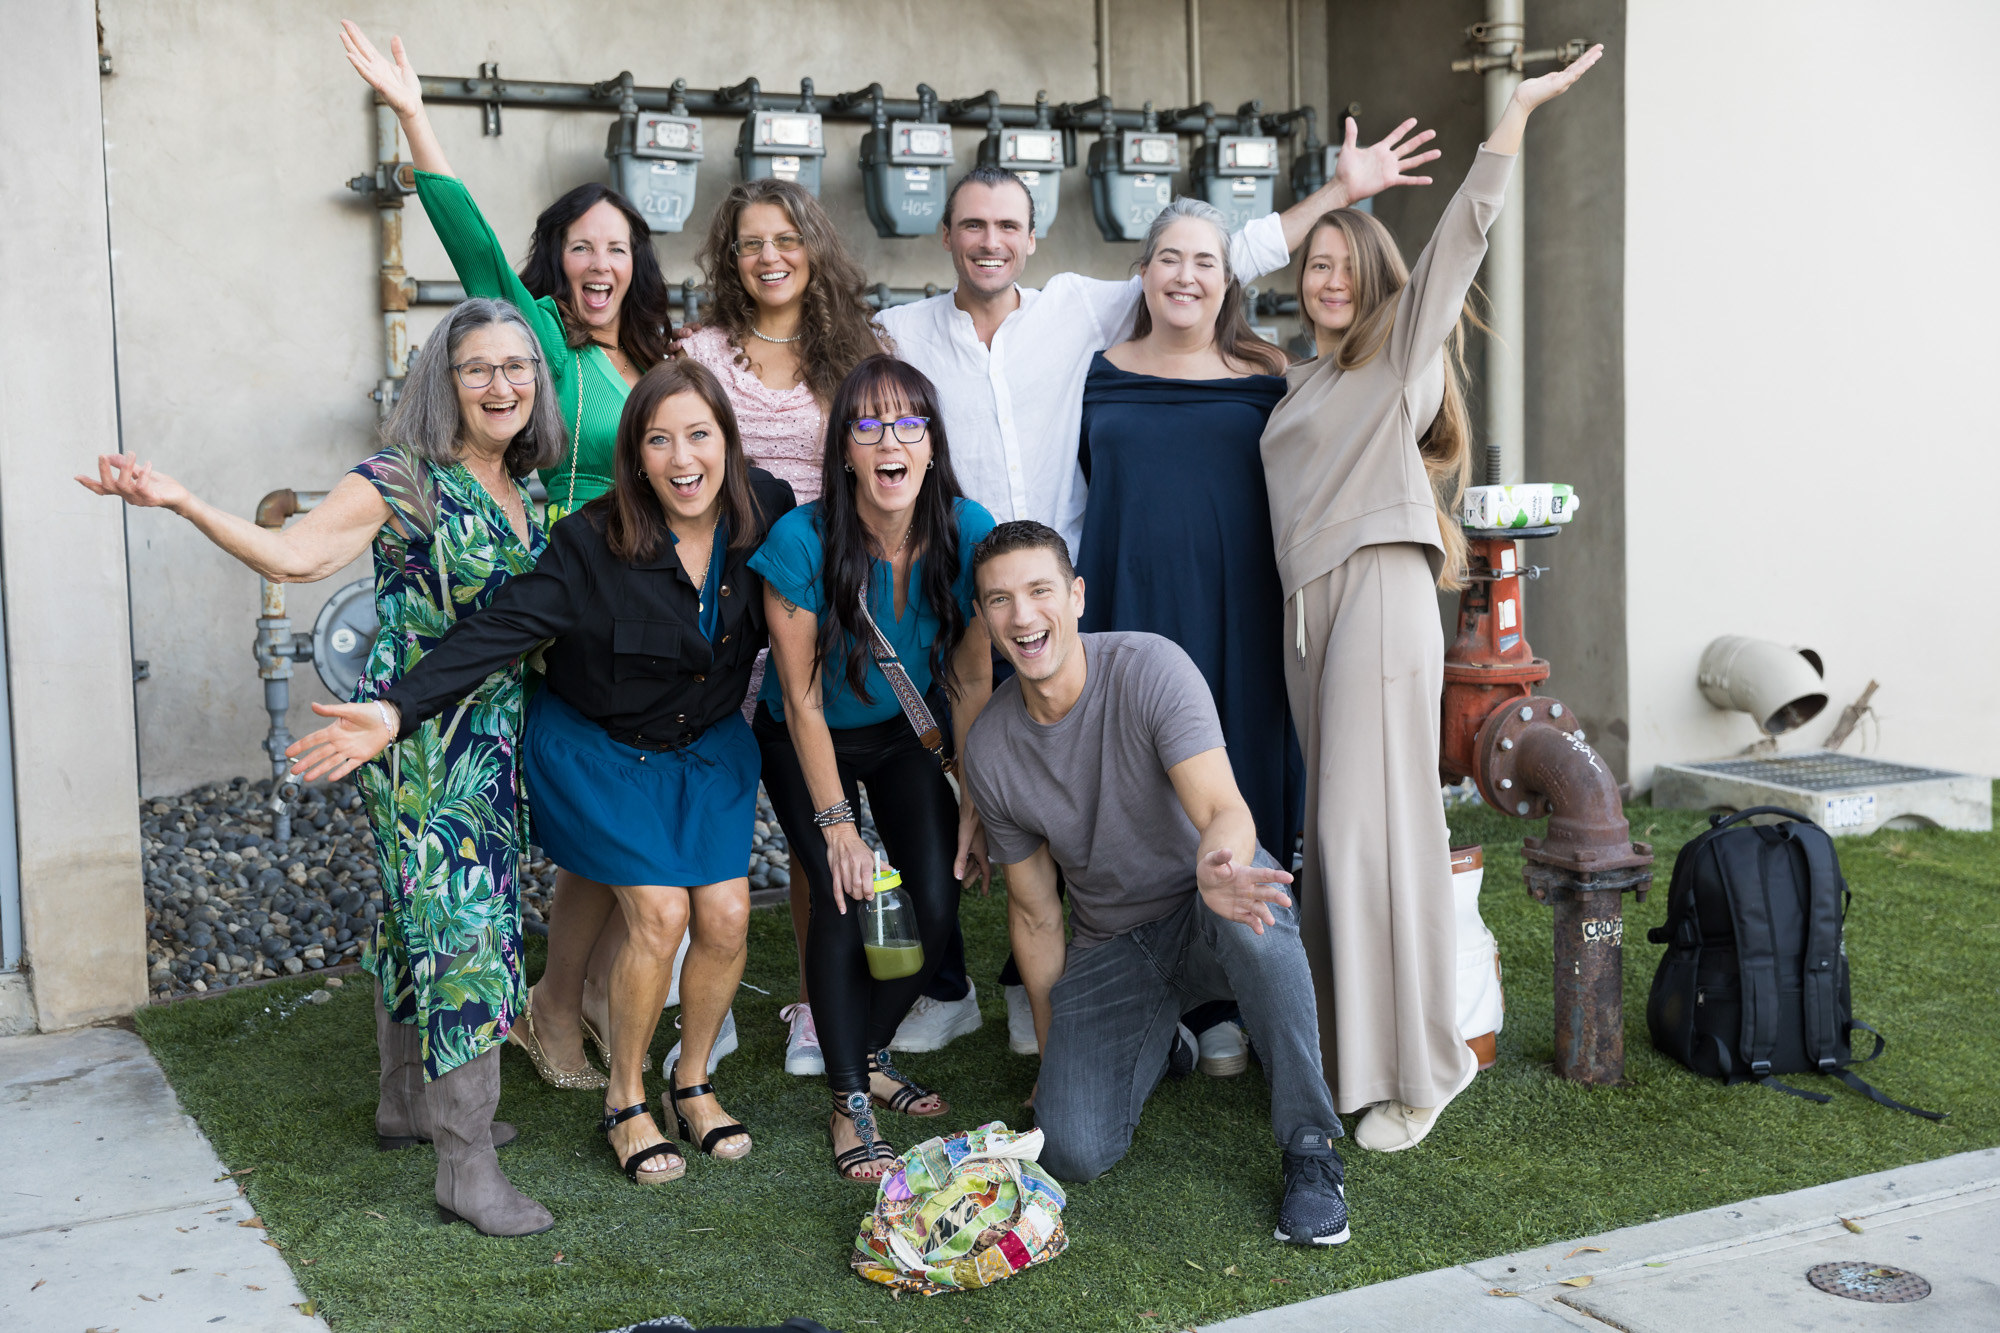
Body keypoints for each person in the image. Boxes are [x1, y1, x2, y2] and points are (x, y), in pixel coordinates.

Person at [880, 120, 1440, 1056]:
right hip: (1127, 605)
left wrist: (1341, 194)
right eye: (1167, 260)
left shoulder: (1267, 377)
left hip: (1239, 609)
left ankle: (1235, 992)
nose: (1185, 275)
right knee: (1130, 791)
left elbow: (1262, 281)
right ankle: (1148, 984)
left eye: (1204, 264)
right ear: (1139, 275)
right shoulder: (1093, 366)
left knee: (1237, 775)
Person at [79, 298, 562, 1236]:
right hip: (414, 745)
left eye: (517, 367)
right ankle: (465, 1165)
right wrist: (183, 500)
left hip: (490, 739)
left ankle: (405, 1103)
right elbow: (295, 557)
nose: (501, 384)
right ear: (445, 380)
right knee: (462, 931)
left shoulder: (523, 484)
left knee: (417, 916)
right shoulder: (402, 479)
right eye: (477, 368)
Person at [291, 359, 794, 1183]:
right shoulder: (591, 541)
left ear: (729, 444)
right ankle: (626, 1099)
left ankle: (693, 1081)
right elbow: (500, 628)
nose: (683, 459)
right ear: (634, 458)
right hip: (600, 748)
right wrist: (393, 710)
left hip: (705, 748)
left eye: (700, 435)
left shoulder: (765, 507)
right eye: (658, 440)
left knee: (731, 914)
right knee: (661, 914)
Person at [1260, 47, 1603, 1152]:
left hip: (1376, 595)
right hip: (1311, 616)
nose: (1327, 279)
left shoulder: (1394, 355)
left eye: (1344, 263)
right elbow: (1204, 273)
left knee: (1375, 832)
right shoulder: (1295, 377)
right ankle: (1348, 1054)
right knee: (1334, 836)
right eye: (1314, 263)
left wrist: (1513, 117)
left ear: (1373, 278)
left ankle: (1421, 1065)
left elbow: (1461, 237)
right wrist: (1328, 191)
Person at [343, 22, 674, 1093]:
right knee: (584, 805)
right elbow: (472, 240)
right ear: (556, 261)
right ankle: (542, 1008)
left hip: (644, 595)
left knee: (613, 805)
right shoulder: (538, 340)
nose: (599, 264)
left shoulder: (653, 357)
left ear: (636, 263)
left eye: (616, 248)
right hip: (560, 588)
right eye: (581, 246)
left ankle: (581, 999)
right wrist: (413, 115)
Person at [961, 520, 1348, 1246]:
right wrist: (1052, 1058)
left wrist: (1217, 865)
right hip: (1114, 943)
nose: (1022, 615)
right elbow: (1036, 915)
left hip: (1206, 903)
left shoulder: (1150, 667)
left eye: (1040, 590)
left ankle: (1310, 1148)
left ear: (1076, 596)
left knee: (1251, 909)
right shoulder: (989, 748)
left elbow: (1225, 809)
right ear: (983, 616)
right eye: (1000, 599)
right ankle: (1163, 1044)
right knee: (1070, 1150)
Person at [751, 355, 994, 1180]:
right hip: (801, 735)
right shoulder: (800, 541)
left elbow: (969, 679)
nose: (890, 440)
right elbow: (800, 698)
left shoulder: (966, 529)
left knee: (934, 897)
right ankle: (850, 1100)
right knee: (840, 894)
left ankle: (870, 1048)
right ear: (845, 452)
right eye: (868, 424)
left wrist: (974, 797)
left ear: (932, 444)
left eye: (909, 422)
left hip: (899, 734)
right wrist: (838, 828)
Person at [682, 177, 899, 1077]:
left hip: (824, 603)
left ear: (814, 246)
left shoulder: (859, 350)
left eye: (785, 238)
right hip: (719, 609)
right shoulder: (701, 352)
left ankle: (820, 1004)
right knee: (711, 812)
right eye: (749, 243)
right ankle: (706, 1000)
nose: (769, 257)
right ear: (729, 259)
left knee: (821, 820)